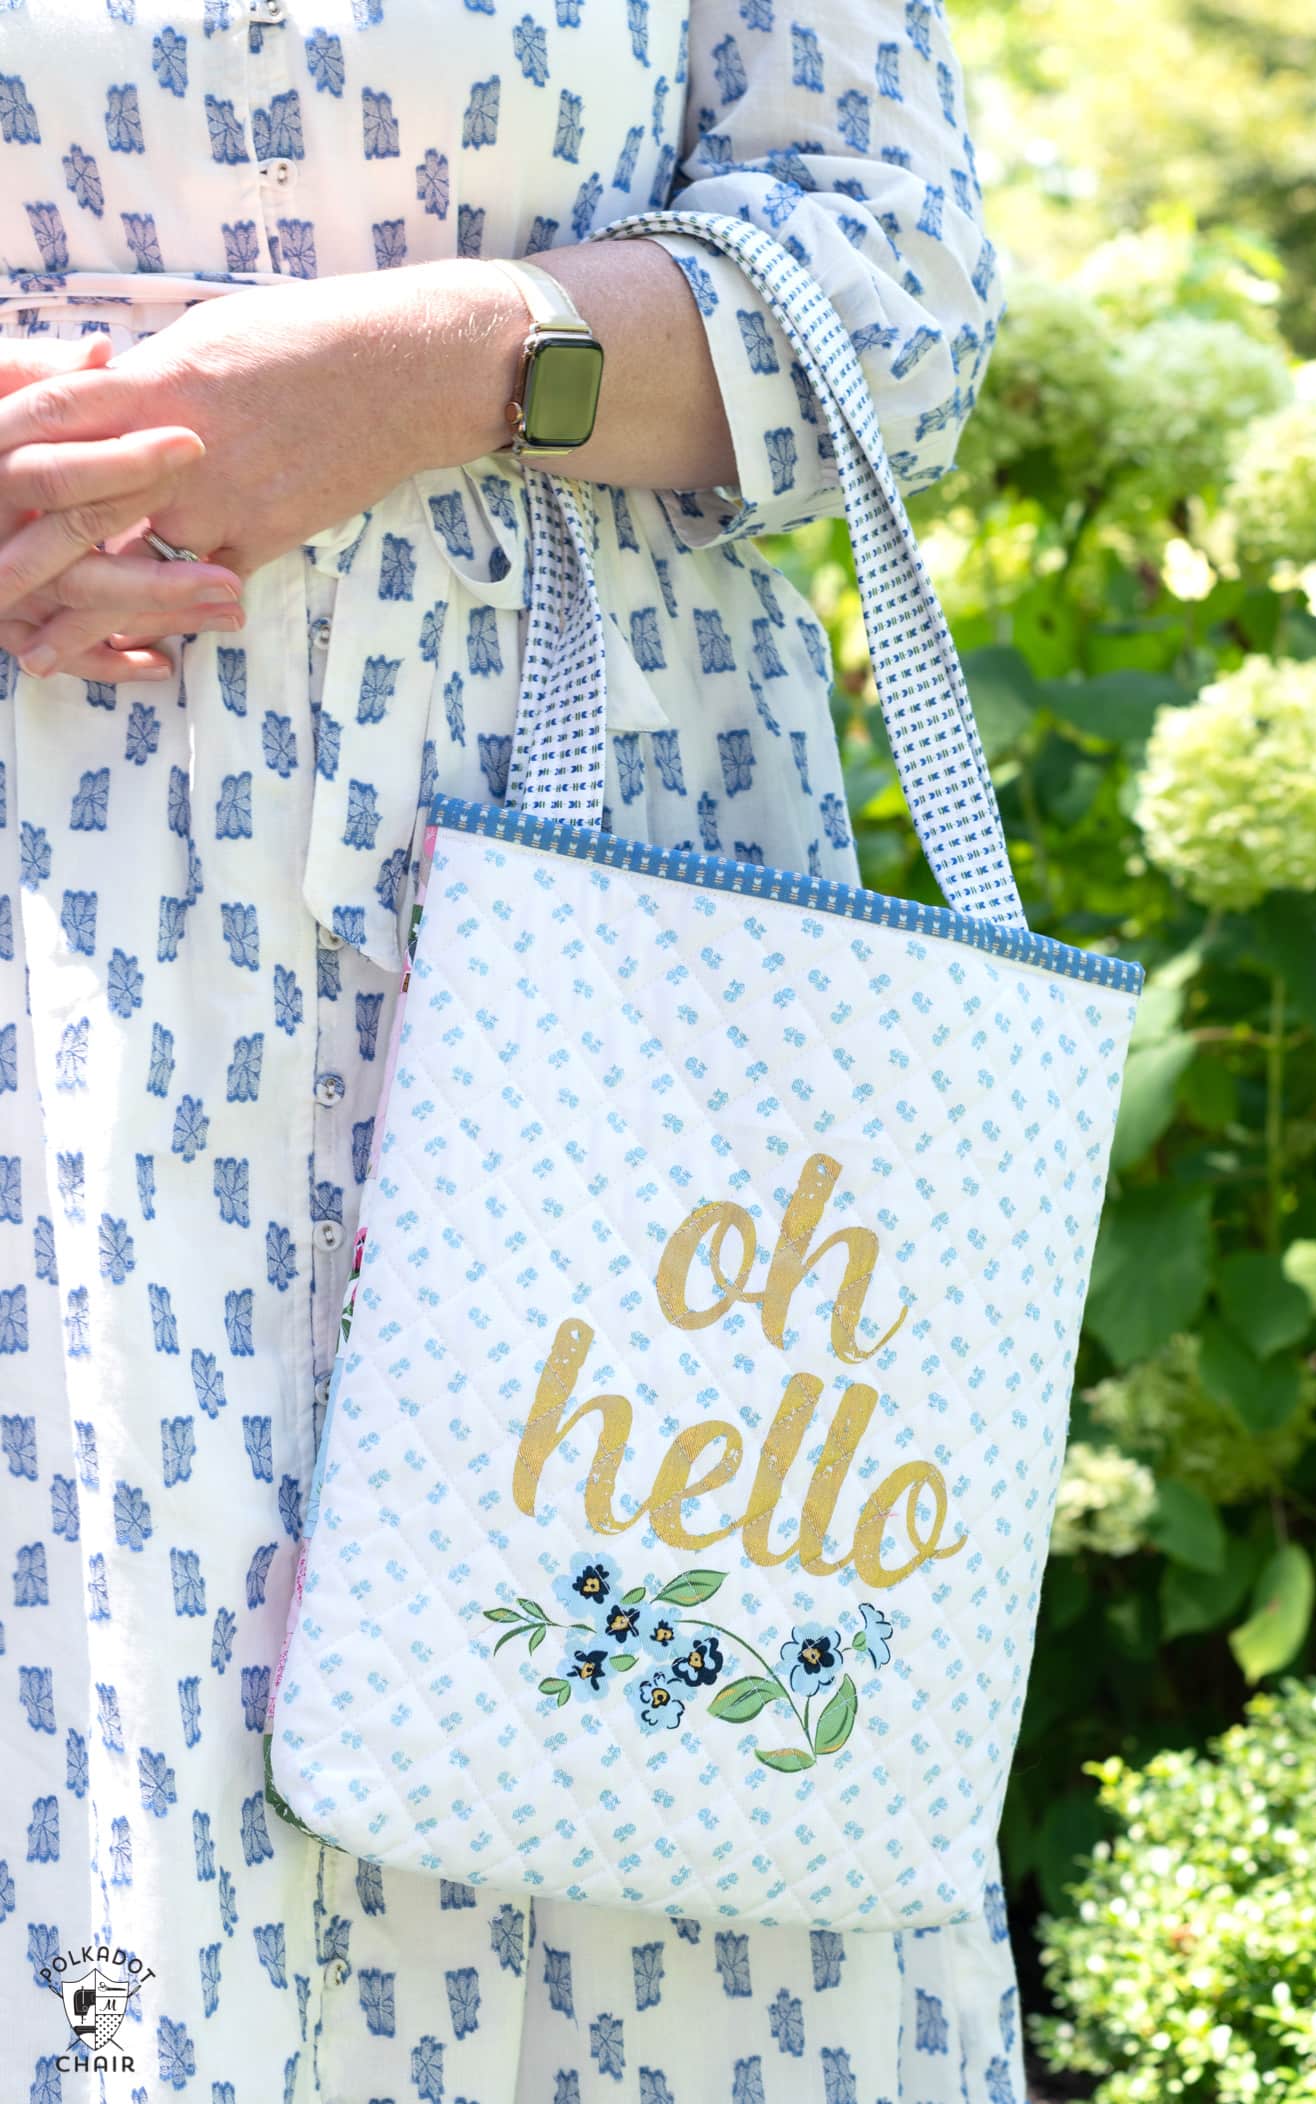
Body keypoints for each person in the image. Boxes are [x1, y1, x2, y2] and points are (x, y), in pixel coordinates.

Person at [0, 3, 1022, 2098]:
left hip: (606, 958)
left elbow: (901, 294)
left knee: (614, 1742)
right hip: (59, 997)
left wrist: (453, 361)